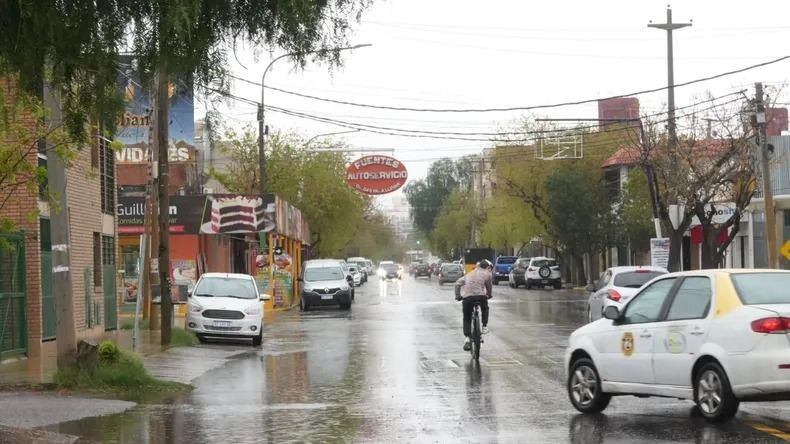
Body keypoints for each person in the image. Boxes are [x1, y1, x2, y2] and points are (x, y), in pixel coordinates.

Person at [455, 259, 493, 351]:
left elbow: (457, 283)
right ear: (487, 267)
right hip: (481, 297)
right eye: (490, 268)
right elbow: (489, 287)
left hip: (468, 298)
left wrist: (458, 296)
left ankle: (467, 338)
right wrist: (489, 295)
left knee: (467, 317)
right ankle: (484, 326)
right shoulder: (487, 274)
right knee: (485, 308)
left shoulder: (469, 274)